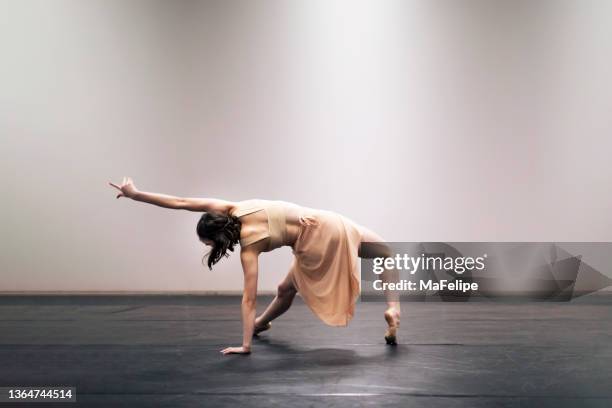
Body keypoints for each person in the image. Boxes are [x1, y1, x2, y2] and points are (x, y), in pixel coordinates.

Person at [109, 177, 401, 355]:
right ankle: (394, 307)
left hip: (315, 242)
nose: (209, 248)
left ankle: (258, 327)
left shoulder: (249, 246)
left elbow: (248, 298)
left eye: (207, 243)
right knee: (385, 252)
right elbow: (183, 201)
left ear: (218, 236)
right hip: (328, 221)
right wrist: (136, 193)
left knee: (287, 287)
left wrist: (245, 346)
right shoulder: (234, 206)